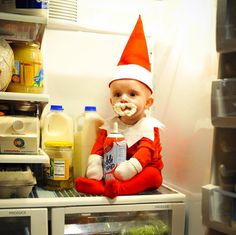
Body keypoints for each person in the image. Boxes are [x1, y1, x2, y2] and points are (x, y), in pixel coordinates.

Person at [75, 15, 164, 198]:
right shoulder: (109, 125)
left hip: (140, 169)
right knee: (103, 172)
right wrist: (94, 164)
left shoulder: (148, 127)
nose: (124, 99)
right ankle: (100, 184)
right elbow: (99, 146)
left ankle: (111, 189)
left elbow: (146, 151)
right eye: (117, 95)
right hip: (114, 171)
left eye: (132, 94)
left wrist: (131, 167)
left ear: (148, 103)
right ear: (111, 101)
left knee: (153, 176)